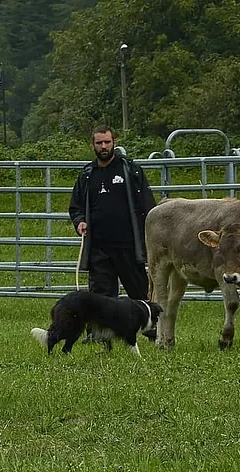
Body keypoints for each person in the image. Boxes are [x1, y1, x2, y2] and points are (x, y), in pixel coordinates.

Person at [69, 125, 157, 339]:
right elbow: (75, 206)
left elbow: (148, 205)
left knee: (140, 291)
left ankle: (154, 331)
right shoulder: (87, 174)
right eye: (99, 143)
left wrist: (150, 236)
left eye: (107, 142)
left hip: (128, 245)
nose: (103, 146)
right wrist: (80, 221)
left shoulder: (130, 170)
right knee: (101, 295)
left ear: (114, 142)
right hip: (99, 248)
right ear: (93, 145)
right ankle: (99, 335)